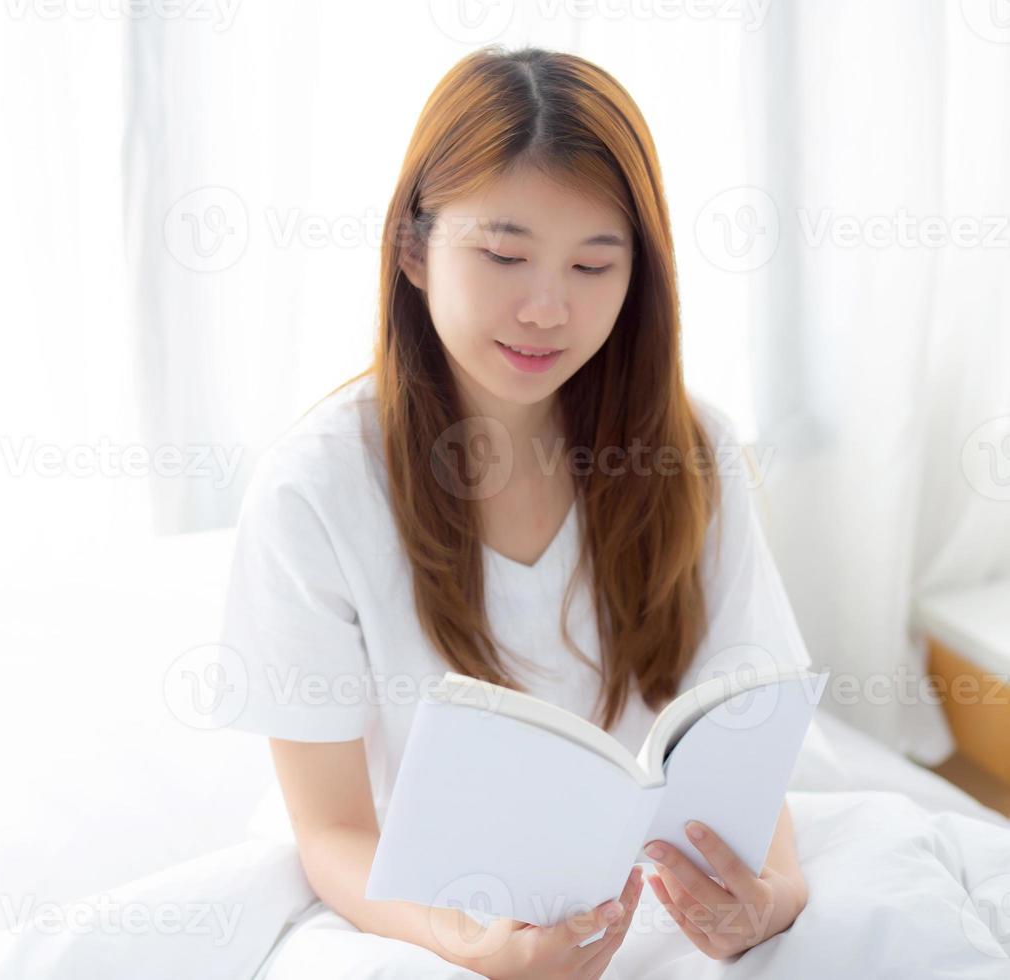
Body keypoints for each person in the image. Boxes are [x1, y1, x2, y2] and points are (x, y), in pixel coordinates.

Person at [216, 46, 811, 979]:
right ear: (413, 248)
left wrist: (774, 895)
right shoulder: (313, 491)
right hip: (408, 911)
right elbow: (332, 830)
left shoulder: (692, 453)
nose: (547, 308)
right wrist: (472, 944)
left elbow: (742, 736)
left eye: (593, 265)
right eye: (502, 255)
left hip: (648, 898)